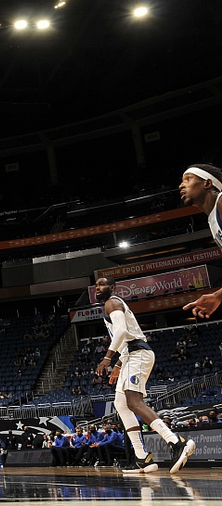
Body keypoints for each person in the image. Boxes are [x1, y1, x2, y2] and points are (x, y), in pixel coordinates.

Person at [94, 277, 196, 473]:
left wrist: (108, 358)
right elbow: (125, 339)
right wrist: (118, 364)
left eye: (103, 284)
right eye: (96, 285)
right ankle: (142, 458)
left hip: (138, 354)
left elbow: (122, 331)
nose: (98, 288)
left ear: (113, 287)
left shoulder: (112, 302)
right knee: (121, 405)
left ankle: (176, 442)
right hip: (129, 356)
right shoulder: (110, 305)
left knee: (134, 402)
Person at [179, 164, 222, 318]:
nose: (181, 185)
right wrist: (218, 296)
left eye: (188, 179)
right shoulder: (213, 218)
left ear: (207, 183)